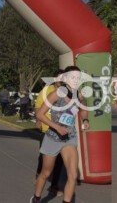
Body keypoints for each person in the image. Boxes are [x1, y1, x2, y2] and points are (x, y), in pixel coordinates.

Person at [30, 66, 89, 203]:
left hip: (69, 138)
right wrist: (56, 127)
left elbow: (84, 110)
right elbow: (39, 114)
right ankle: (36, 198)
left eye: (78, 78)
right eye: (73, 77)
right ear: (66, 78)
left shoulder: (79, 95)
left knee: (73, 175)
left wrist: (85, 120)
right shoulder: (57, 93)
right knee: (46, 173)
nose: (76, 80)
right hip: (53, 138)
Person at [34, 70, 64, 197]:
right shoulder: (46, 90)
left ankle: (54, 186)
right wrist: (38, 120)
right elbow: (38, 106)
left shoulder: (67, 93)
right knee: (43, 156)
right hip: (47, 128)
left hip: (62, 130)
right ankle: (38, 174)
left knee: (59, 160)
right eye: (58, 78)